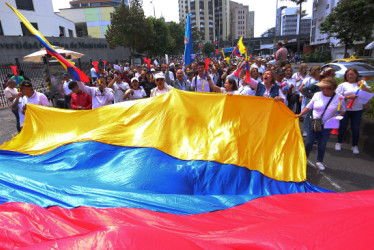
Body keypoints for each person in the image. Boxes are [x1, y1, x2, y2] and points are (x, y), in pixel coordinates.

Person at [297, 77, 345, 170]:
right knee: (309, 143)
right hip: (316, 121)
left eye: (325, 87)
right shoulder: (317, 95)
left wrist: (338, 114)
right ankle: (303, 160)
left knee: (322, 143)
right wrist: (300, 114)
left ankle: (319, 161)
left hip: (329, 123)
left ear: (331, 88)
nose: (323, 89)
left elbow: (343, 110)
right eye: (322, 87)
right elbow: (309, 106)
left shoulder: (340, 98)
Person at [335, 68, 372, 154]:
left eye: (351, 74)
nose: (349, 76)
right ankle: (339, 142)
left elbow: (369, 93)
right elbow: (337, 97)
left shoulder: (362, 83)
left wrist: (363, 86)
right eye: (348, 75)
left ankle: (354, 145)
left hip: (357, 110)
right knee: (342, 127)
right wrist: (348, 97)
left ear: (356, 75)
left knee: (355, 128)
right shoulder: (343, 85)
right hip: (345, 109)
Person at [299, 66, 322, 137]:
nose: (320, 71)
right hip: (309, 100)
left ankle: (314, 132)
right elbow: (301, 88)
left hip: (318, 101)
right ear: (314, 71)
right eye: (318, 70)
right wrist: (307, 96)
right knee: (307, 115)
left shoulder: (320, 80)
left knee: (315, 116)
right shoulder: (308, 79)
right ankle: (305, 130)